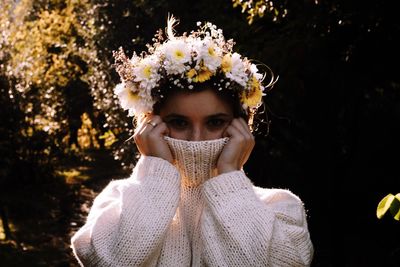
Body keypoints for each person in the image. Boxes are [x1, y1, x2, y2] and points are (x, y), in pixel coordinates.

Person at [71, 16, 314, 266]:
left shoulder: (281, 209)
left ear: (240, 127)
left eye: (214, 122)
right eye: (179, 123)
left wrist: (229, 175)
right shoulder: (117, 203)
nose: (196, 140)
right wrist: (155, 174)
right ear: (150, 125)